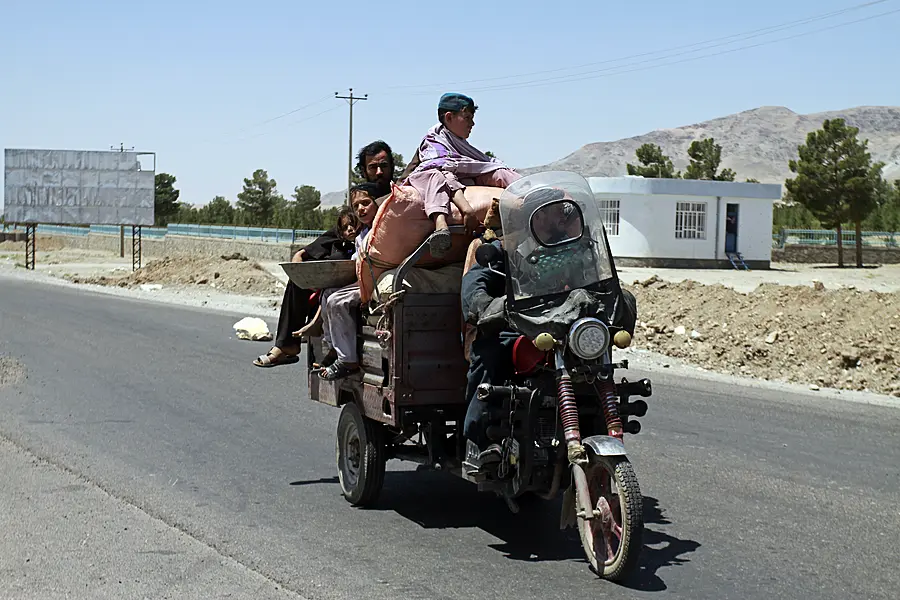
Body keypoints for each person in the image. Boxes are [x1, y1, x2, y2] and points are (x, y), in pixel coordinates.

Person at [252, 139, 396, 368]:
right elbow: (341, 230)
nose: (379, 172)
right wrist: (304, 253)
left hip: (381, 263)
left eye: (384, 166)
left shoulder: (398, 196)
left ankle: (323, 335)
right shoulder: (361, 200)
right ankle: (287, 343)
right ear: (364, 171)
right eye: (373, 167)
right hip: (358, 257)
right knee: (302, 276)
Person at [404, 93, 521, 258]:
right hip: (446, 187)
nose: (472, 123)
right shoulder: (433, 144)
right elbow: (442, 172)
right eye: (467, 117)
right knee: (435, 176)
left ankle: (538, 195)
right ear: (449, 117)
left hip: (465, 180)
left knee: (499, 172)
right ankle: (441, 226)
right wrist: (467, 209)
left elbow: (481, 165)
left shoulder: (462, 146)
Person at [253, 206, 360, 367]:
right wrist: (299, 275)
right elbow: (301, 255)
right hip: (321, 288)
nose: (350, 229)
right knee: (296, 282)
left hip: (343, 289)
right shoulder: (337, 239)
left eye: (353, 224)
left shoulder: (367, 238)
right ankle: (286, 344)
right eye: (345, 227)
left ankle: (316, 332)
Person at [315, 183, 379, 380]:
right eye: (356, 205)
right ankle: (333, 345)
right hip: (364, 279)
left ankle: (348, 359)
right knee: (327, 294)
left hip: (376, 280)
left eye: (366, 203)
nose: (361, 209)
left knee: (336, 301)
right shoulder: (362, 233)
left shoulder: (381, 227)